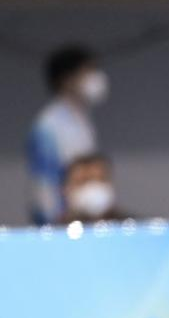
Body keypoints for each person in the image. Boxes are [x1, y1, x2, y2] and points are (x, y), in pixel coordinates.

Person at [26, 44, 109, 225]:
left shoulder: (82, 119)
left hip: (84, 216)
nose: (95, 77)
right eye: (88, 71)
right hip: (61, 221)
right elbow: (44, 183)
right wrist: (53, 221)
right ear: (67, 79)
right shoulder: (48, 125)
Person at [61, 152, 128, 224]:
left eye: (99, 180)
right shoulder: (54, 230)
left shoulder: (134, 227)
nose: (92, 188)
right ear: (66, 189)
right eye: (83, 181)